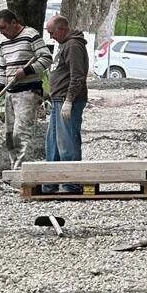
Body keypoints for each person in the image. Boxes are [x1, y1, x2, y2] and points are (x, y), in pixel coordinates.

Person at [0, 9, 53, 169]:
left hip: (28, 92)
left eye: (4, 27)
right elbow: (2, 70)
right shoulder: (3, 43)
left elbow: (46, 58)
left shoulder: (30, 34)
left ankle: (22, 171)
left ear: (14, 23)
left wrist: (26, 71)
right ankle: (14, 168)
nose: (2, 32)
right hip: (10, 92)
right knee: (9, 135)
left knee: (20, 133)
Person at [43, 14, 88, 193]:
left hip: (67, 101)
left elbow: (77, 76)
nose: (51, 36)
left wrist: (69, 100)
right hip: (57, 100)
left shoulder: (73, 45)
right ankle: (51, 181)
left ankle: (71, 183)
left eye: (52, 32)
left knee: (67, 142)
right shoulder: (63, 45)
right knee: (53, 143)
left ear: (62, 29)